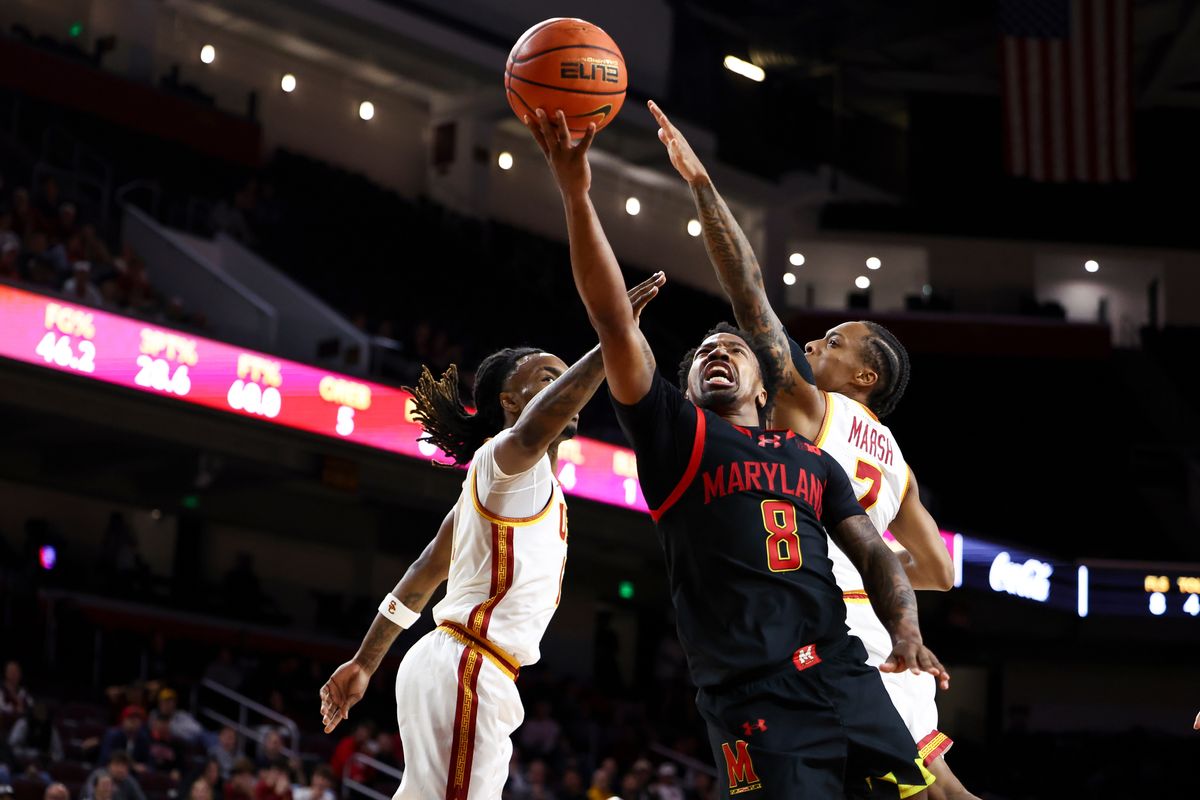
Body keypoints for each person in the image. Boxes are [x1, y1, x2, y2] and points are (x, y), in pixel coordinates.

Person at [528, 106, 946, 798]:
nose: (717, 352)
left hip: (844, 668)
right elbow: (612, 320)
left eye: (733, 349)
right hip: (755, 693)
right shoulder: (677, 435)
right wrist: (576, 193)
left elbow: (875, 552)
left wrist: (904, 630)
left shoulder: (812, 454)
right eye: (702, 354)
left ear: (765, 383)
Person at [647, 99, 977, 800]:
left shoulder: (810, 407)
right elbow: (941, 570)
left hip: (828, 632)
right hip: (881, 623)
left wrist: (703, 188)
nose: (813, 344)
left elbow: (749, 296)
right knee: (925, 791)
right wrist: (872, 572)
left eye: (833, 343)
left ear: (864, 377)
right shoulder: (896, 459)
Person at [319, 276, 663, 800]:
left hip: (461, 666)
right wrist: (613, 336)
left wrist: (366, 662)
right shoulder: (504, 458)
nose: (564, 387)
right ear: (511, 400)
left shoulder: (510, 485)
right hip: (468, 665)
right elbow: (534, 428)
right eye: (549, 378)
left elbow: (423, 572)